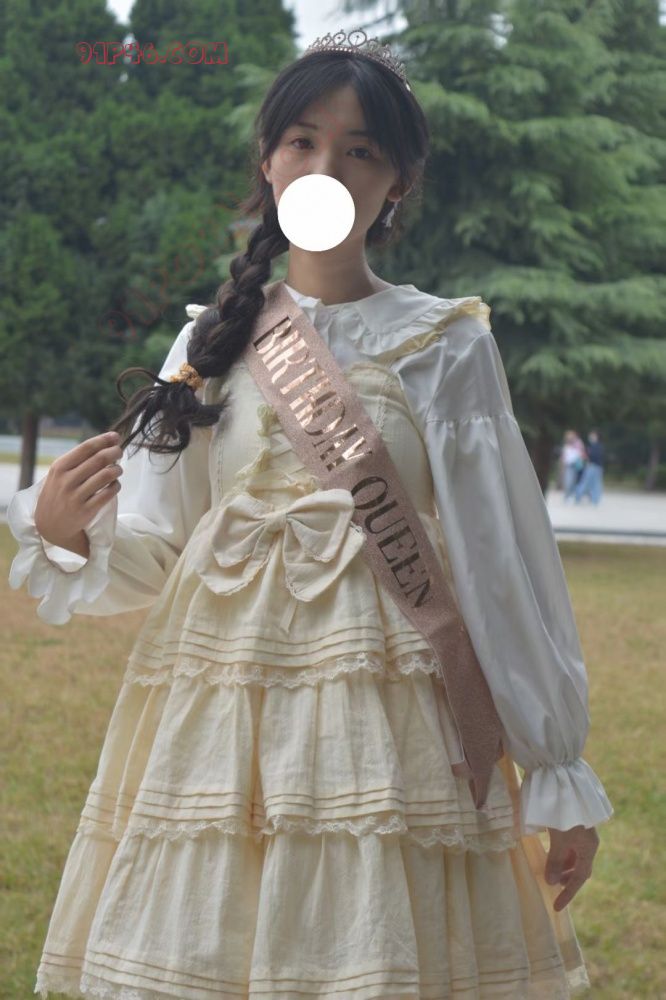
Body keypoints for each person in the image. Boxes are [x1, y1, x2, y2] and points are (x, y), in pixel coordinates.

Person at [7, 28, 613, 1000]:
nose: (326, 168)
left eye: (360, 149)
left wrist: (555, 769)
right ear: (268, 160)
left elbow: (503, 564)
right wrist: (68, 530)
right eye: (303, 140)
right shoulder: (208, 343)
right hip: (221, 710)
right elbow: (160, 546)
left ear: (398, 182)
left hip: (389, 711)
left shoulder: (444, 343)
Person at [575, 431, 605, 505]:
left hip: (594, 466)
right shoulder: (593, 446)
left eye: (592, 435)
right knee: (589, 483)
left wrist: (588, 456)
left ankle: (593, 500)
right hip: (593, 466)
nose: (591, 437)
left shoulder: (597, 446)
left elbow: (594, 456)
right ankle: (579, 497)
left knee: (592, 483)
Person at [561, 430, 588, 501]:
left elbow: (582, 454)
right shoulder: (566, 445)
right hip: (568, 466)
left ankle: (569, 496)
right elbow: (564, 456)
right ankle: (567, 496)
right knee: (568, 481)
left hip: (575, 466)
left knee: (573, 482)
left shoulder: (578, 443)